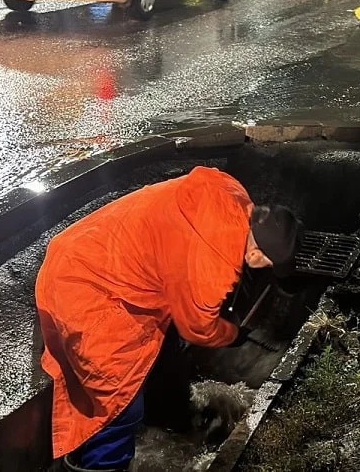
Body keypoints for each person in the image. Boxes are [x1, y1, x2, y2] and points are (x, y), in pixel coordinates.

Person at [35, 167, 301, 471]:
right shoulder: (213, 265)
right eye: (267, 262)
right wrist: (233, 334)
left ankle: (169, 411)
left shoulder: (230, 192)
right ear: (255, 257)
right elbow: (199, 327)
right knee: (116, 401)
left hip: (90, 247)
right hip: (87, 287)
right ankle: (103, 465)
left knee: (163, 348)